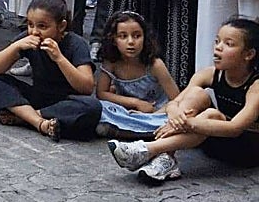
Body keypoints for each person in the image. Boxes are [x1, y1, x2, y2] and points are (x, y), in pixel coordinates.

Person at [108, 18, 259, 182]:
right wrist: (177, 115)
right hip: (212, 139)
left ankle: (147, 149)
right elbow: (175, 102)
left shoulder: (255, 86)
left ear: (249, 54)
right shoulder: (209, 74)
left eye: (228, 44)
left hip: (247, 151)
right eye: (217, 41)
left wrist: (187, 122)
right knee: (196, 94)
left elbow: (235, 128)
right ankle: (166, 159)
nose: (218, 48)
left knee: (211, 114)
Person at [0, 0, 100, 140]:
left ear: (61, 26)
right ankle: (40, 123)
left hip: (66, 103)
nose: (35, 31)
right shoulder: (28, 38)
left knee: (92, 108)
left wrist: (59, 59)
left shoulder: (76, 44)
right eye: (30, 25)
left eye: (42, 26)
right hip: (37, 96)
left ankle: (25, 117)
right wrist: (16, 46)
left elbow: (87, 87)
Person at [96, 11, 180, 140]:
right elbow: (101, 93)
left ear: (145, 38)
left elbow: (177, 98)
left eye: (137, 36)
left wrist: (152, 113)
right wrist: (136, 103)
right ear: (113, 40)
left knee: (171, 119)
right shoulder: (111, 62)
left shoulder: (155, 65)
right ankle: (139, 131)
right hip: (128, 111)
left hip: (157, 111)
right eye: (123, 36)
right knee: (100, 108)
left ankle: (127, 132)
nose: (130, 42)